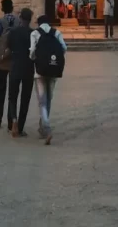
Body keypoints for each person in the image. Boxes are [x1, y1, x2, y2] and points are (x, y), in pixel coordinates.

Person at [30, 14, 67, 144]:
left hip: (39, 72)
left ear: (39, 23)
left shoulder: (35, 33)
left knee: (42, 102)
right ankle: (42, 127)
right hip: (53, 70)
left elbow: (32, 52)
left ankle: (46, 128)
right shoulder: (56, 32)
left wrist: (37, 58)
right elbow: (64, 48)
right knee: (49, 99)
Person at [0, 0, 20, 129]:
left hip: (2, 60)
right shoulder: (19, 21)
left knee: (1, 89)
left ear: (3, 8)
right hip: (15, 59)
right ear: (12, 8)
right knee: (13, 92)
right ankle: (11, 121)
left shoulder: (0, 22)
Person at [7, 8, 35, 138]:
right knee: (25, 98)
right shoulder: (33, 33)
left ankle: (13, 120)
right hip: (28, 67)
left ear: (20, 17)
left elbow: (9, 47)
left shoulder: (13, 32)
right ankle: (20, 127)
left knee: (12, 97)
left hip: (15, 65)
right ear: (30, 19)